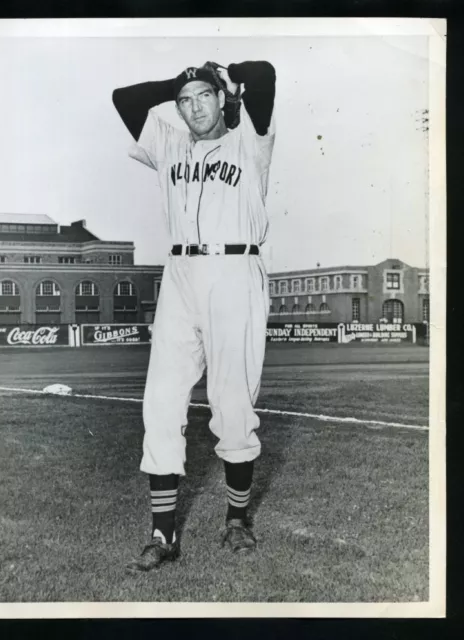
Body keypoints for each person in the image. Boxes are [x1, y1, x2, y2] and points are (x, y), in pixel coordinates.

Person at [112, 59, 276, 573]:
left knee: (232, 401)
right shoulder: (170, 144)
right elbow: (124, 97)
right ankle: (163, 534)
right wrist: (178, 81)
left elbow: (265, 75)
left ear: (223, 98)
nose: (192, 107)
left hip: (235, 269)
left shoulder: (248, 139)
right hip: (181, 273)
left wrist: (223, 77)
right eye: (184, 101)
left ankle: (237, 521)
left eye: (202, 96)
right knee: (160, 399)